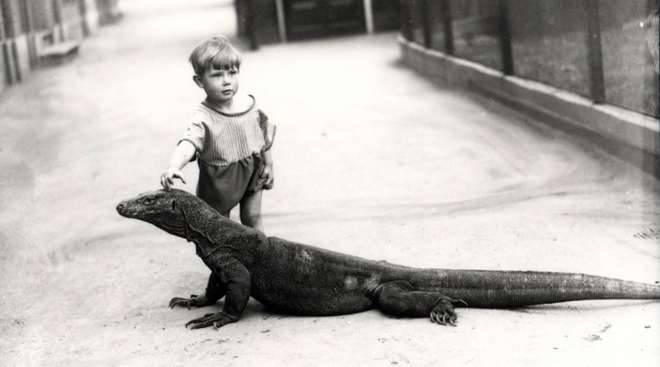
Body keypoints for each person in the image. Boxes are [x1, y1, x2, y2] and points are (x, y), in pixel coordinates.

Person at [160, 35, 275, 232]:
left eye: (232, 73)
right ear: (199, 81)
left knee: (253, 216)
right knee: (220, 226)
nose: (226, 81)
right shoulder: (203, 117)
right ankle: (229, 259)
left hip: (252, 169)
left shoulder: (249, 106)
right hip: (220, 181)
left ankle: (261, 257)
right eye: (217, 75)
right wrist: (174, 166)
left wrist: (269, 164)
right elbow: (188, 143)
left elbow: (262, 138)